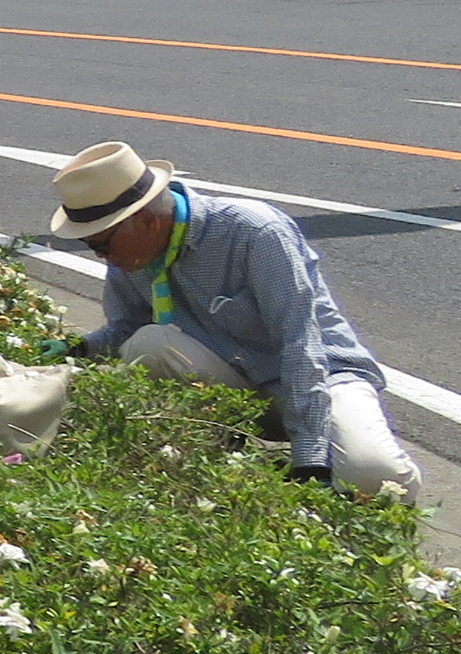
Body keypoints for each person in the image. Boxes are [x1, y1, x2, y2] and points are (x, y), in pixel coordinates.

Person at [52, 140, 419, 496]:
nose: (101, 256)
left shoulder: (253, 231)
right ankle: (220, 454)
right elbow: (129, 328)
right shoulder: (132, 256)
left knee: (381, 481)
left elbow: (300, 342)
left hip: (321, 380)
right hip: (241, 388)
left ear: (147, 221)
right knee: (149, 344)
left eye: (102, 244)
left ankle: (315, 453)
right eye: (91, 246)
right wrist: (79, 348)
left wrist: (310, 459)